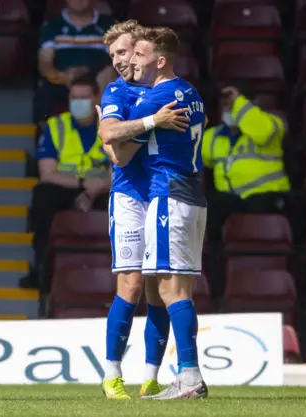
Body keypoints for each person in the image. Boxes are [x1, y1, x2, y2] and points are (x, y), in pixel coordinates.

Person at [95, 21, 190, 400]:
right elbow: (114, 149)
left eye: (124, 52)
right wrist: (151, 123)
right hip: (130, 196)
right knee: (131, 285)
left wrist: (124, 132)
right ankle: (111, 374)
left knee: (158, 288)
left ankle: (151, 376)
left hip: (162, 194)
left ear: (141, 50)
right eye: (113, 55)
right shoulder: (117, 90)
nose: (119, 61)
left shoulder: (167, 89)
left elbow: (119, 141)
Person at [112, 26, 208, 399]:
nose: (132, 61)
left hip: (168, 194)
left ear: (160, 60)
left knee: (171, 288)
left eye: (139, 55)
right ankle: (188, 376)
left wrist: (119, 122)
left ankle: (190, 377)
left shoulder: (159, 97)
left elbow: (116, 148)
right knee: (176, 287)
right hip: (190, 194)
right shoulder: (191, 92)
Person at [23, 72, 111, 291]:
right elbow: (48, 173)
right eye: (74, 98)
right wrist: (83, 185)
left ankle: (117, 274)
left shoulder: (113, 126)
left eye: (84, 98)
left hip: (102, 189)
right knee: (43, 194)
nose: (78, 103)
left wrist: (93, 191)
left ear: (97, 99)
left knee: (125, 199)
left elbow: (121, 171)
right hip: (66, 187)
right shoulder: (55, 127)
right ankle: (42, 270)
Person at [201, 84, 290, 243]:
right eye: (226, 105)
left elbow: (262, 133)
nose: (229, 110)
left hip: (267, 196)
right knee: (208, 208)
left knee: (258, 206)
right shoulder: (212, 136)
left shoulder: (273, 124)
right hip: (231, 199)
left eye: (233, 105)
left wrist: (239, 101)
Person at [34, 0, 117, 123]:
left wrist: (88, 75)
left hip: (97, 79)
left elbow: (118, 60)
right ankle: (46, 137)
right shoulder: (52, 26)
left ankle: (103, 129)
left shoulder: (109, 25)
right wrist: (62, 76)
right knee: (45, 97)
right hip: (63, 78)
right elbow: (45, 63)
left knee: (109, 75)